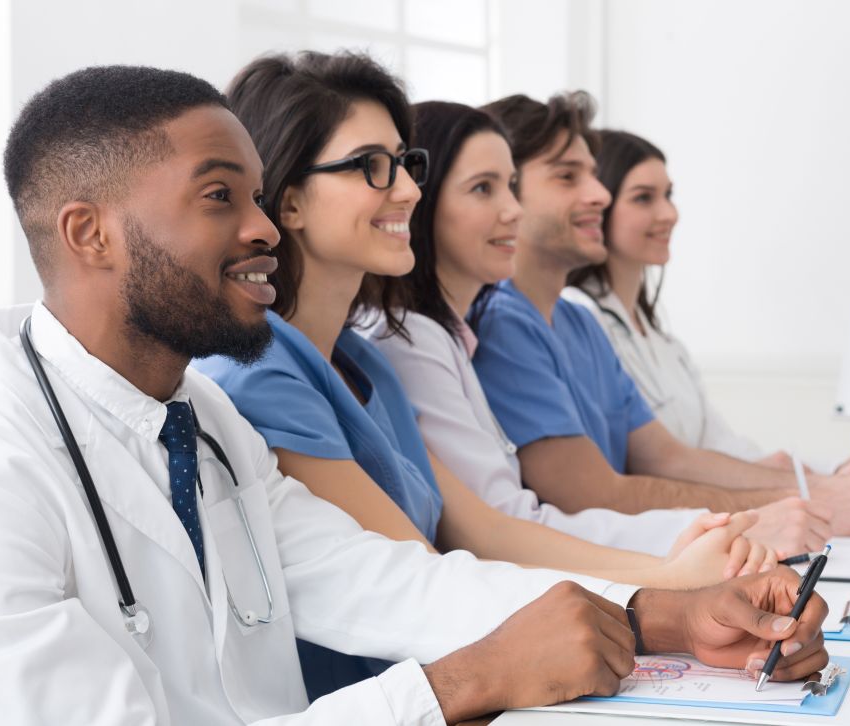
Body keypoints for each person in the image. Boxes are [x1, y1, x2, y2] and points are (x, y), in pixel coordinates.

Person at [0, 65, 829, 725]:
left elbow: (388, 581)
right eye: (221, 197)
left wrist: (660, 618)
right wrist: (462, 685)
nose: (266, 228)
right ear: (89, 234)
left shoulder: (206, 424)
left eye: (261, 196)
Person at [195, 52, 774, 700]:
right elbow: (416, 579)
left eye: (406, 164)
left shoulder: (368, 367)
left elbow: (484, 529)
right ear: (291, 200)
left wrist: (672, 572)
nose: (410, 190)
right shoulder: (258, 372)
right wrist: (665, 590)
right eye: (371, 167)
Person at [473, 91, 850, 544]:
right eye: (567, 176)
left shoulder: (577, 326)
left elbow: (668, 457)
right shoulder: (505, 323)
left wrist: (815, 491)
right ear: (506, 193)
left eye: (594, 177)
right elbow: (594, 494)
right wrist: (810, 501)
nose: (599, 194)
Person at [367, 100, 747, 556]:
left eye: (510, 186)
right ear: (420, 204)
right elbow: (504, 530)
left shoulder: (484, 332)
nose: (514, 209)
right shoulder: (426, 338)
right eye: (484, 188)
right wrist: (716, 531)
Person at [562, 129, 850, 501]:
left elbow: (730, 452)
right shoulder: (581, 319)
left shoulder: (664, 343)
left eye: (668, 195)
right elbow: (656, 464)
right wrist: (827, 489)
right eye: (643, 198)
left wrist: (847, 469)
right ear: (599, 205)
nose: (668, 213)